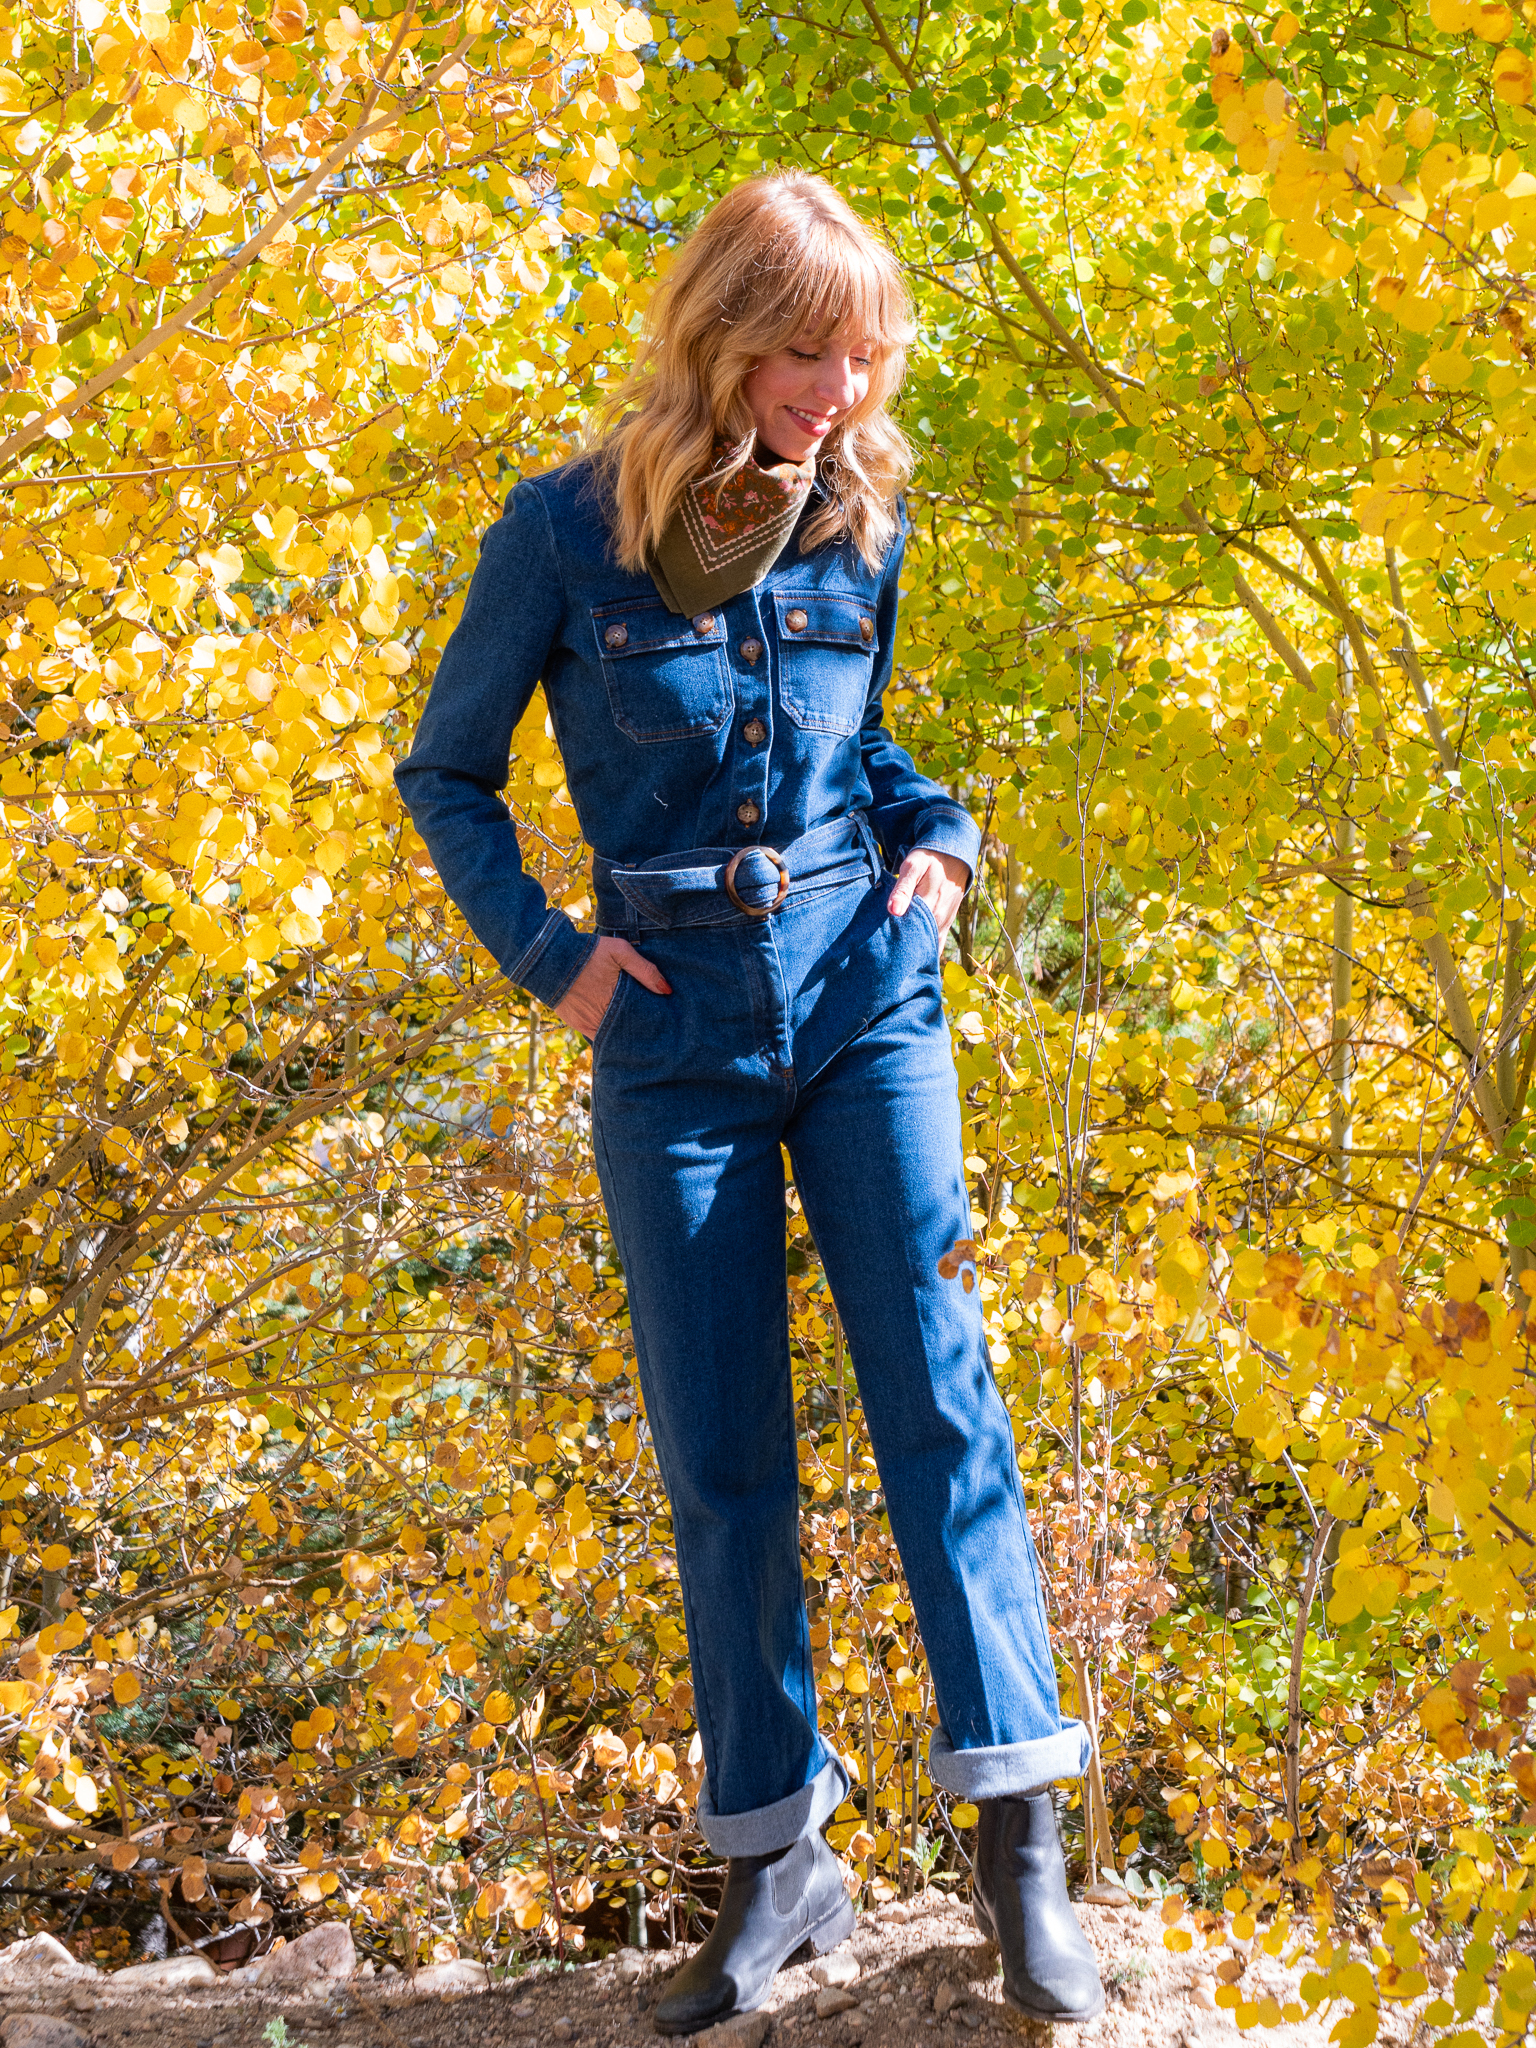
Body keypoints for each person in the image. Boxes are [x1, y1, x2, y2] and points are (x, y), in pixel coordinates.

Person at [395, 171, 1103, 2032]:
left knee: (940, 1401)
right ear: (724, 336)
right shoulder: (564, 534)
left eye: (864, 360)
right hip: (673, 1033)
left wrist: (941, 835)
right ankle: (778, 1861)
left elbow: (851, 746)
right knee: (723, 1456)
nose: (841, 394)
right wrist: (553, 960)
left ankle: (1021, 1847)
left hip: (868, 996)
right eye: (811, 356)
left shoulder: (861, 509)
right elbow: (446, 774)